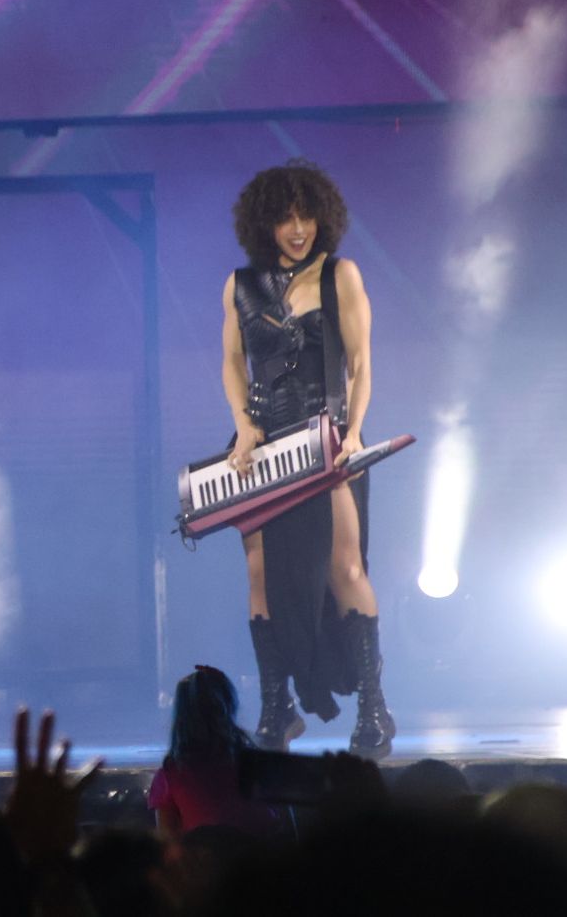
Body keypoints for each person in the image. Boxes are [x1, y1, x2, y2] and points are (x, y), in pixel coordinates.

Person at [220, 158, 394, 759]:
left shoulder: (340, 275)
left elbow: (362, 364)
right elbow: (231, 365)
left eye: (307, 216)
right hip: (262, 452)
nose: (298, 229)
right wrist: (242, 427)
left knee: (343, 569)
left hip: (327, 443)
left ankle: (374, 706)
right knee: (261, 576)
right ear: (265, 223)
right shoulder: (241, 286)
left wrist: (354, 432)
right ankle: (277, 706)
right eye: (287, 218)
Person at [147, 665, 285, 837]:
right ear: (229, 707)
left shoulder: (169, 776)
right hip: (264, 862)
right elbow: (284, 830)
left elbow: (169, 843)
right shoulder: (257, 766)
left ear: (181, 715)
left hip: (205, 863)